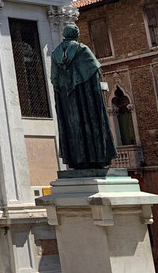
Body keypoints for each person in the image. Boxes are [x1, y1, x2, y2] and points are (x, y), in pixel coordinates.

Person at [50, 25, 117, 170]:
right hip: (87, 101)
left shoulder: (55, 55)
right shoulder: (83, 50)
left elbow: (54, 79)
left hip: (68, 103)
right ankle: (96, 158)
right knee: (91, 124)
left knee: (72, 127)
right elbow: (95, 71)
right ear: (76, 34)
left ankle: (76, 159)